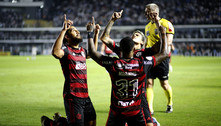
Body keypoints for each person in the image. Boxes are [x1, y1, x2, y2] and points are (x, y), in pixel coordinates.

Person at [87, 12, 168, 126]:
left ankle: (152, 122)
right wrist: (112, 20)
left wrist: (157, 24)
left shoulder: (144, 53)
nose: (134, 35)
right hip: (130, 103)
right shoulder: (139, 61)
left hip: (140, 98)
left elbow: (160, 48)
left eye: (137, 35)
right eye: (133, 34)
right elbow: (104, 38)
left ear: (142, 43)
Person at [51, 14, 100, 126]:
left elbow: (93, 53)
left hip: (85, 95)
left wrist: (93, 34)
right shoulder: (66, 50)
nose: (77, 32)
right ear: (67, 37)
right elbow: (55, 52)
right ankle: (54, 123)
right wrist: (64, 30)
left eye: (78, 30)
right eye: (73, 31)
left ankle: (61, 121)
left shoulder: (82, 50)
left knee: (92, 122)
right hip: (73, 96)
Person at [144, 3, 175, 114]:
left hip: (162, 58)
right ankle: (150, 109)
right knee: (149, 83)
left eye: (147, 12)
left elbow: (168, 43)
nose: (145, 14)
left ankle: (170, 103)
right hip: (150, 58)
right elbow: (146, 43)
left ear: (154, 12)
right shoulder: (147, 26)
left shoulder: (166, 24)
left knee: (164, 84)